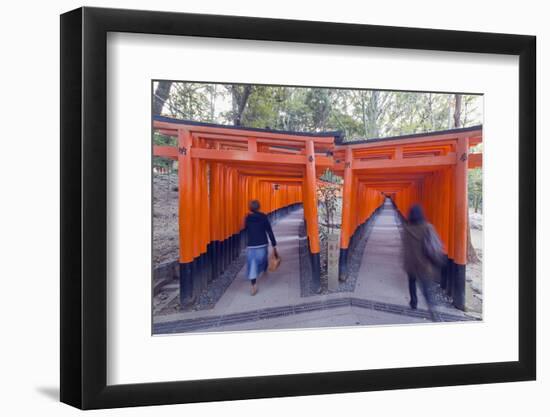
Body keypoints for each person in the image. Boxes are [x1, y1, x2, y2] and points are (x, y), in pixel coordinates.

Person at [402, 204, 443, 309]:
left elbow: (405, 246)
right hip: (424, 262)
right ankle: (430, 304)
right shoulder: (427, 227)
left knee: (412, 282)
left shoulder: (407, 228)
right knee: (425, 283)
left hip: (411, 262)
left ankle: (413, 302)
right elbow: (434, 244)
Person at [244, 200, 278, 296]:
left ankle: (253, 284)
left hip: (251, 245)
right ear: (259, 207)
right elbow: (269, 231)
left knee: (252, 264)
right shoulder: (263, 217)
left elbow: (245, 228)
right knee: (262, 259)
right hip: (262, 244)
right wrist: (274, 244)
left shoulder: (248, 218)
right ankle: (264, 268)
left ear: (250, 208)